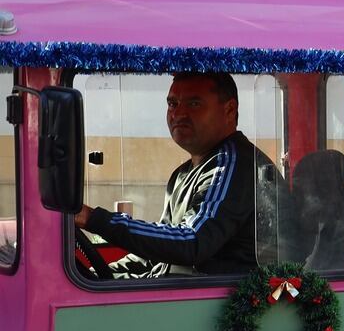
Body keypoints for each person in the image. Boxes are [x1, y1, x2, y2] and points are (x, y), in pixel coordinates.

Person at [77, 72, 277, 278]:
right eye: (172, 104)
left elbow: (192, 242)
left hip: (222, 303)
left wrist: (93, 219)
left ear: (229, 109)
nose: (179, 113)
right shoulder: (183, 174)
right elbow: (157, 256)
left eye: (194, 104)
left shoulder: (233, 164)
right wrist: (94, 274)